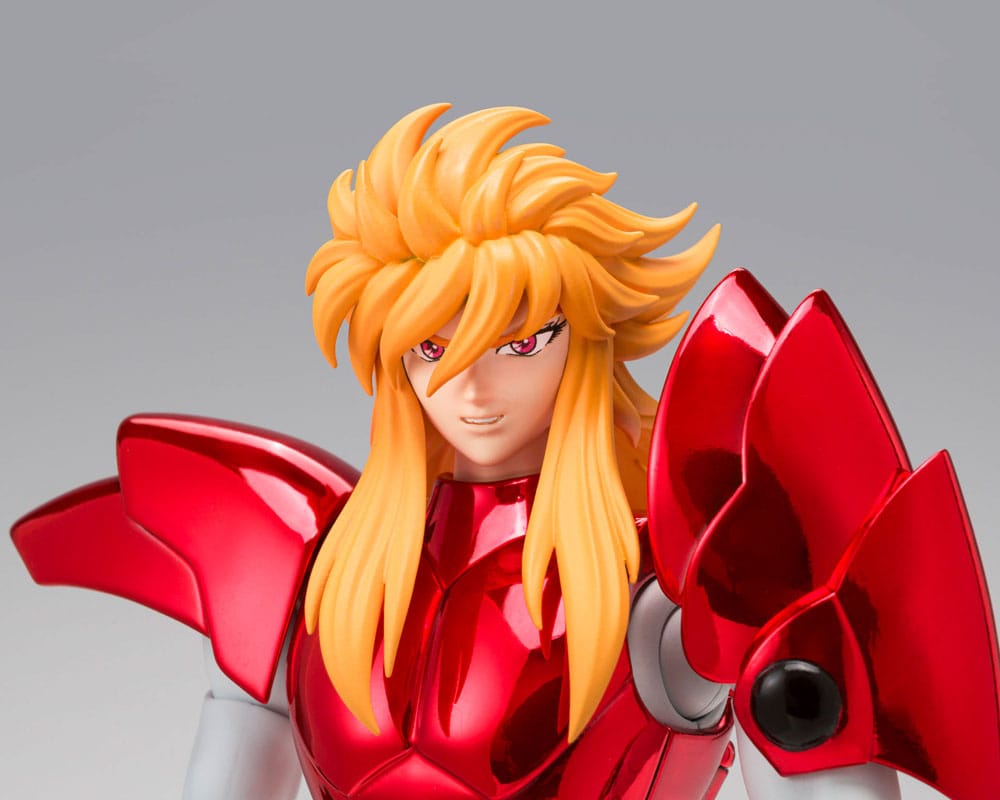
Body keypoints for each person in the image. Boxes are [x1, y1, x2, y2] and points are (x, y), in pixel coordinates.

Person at [13, 104, 998, 800]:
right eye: (430, 349)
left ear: (587, 339)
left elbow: (816, 760)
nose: (472, 388)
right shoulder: (308, 575)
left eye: (519, 343)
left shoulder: (661, 591)